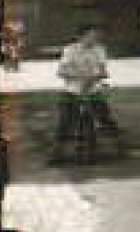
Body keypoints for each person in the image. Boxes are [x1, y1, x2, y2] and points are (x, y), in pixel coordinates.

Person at [51, 25, 122, 162]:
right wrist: (80, 78)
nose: (94, 39)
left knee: (105, 118)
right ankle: (57, 152)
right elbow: (61, 71)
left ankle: (117, 146)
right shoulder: (70, 50)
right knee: (65, 121)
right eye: (90, 36)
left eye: (96, 36)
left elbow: (103, 71)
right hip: (72, 90)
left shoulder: (99, 50)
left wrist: (92, 79)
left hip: (93, 90)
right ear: (81, 37)